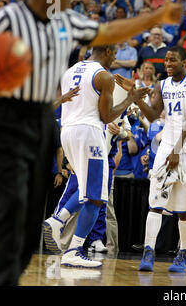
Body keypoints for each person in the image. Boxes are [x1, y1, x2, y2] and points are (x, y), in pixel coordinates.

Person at [0, 0, 182, 285]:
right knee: (92, 194)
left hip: (54, 126)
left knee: (26, 203)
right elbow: (104, 116)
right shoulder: (7, 20)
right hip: (19, 117)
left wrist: (155, 17)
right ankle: (73, 247)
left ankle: (52, 224)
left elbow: (110, 30)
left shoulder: (68, 36)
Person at [43, 44, 149, 268]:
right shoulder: (103, 76)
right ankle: (74, 250)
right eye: (115, 56)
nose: (115, 61)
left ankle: (57, 220)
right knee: (97, 196)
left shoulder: (69, 71)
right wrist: (130, 98)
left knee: (84, 187)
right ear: (108, 52)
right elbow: (106, 116)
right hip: (89, 133)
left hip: (68, 132)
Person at [115, 45, 186, 273]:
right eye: (165, 60)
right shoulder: (163, 84)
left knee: (184, 208)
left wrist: (177, 150)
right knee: (155, 202)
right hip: (167, 146)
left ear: (184, 61)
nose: (167, 64)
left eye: (172, 60)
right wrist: (135, 98)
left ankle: (184, 253)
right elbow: (155, 116)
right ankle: (149, 251)